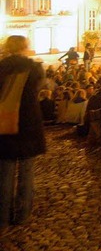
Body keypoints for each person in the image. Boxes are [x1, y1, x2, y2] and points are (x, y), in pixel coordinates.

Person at [0, 36, 46, 231]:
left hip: (5, 123)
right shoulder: (35, 68)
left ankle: (2, 218)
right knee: (27, 173)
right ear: (25, 47)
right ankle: (23, 215)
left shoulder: (2, 67)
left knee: (4, 174)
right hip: (28, 124)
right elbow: (38, 89)